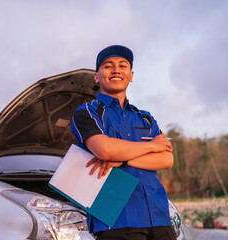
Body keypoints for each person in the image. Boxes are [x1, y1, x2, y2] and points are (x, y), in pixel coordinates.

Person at [71, 45, 176, 240]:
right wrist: (152, 146)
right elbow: (106, 150)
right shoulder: (87, 112)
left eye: (123, 65)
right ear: (96, 76)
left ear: (131, 75)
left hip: (158, 216)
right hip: (115, 219)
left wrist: (124, 160)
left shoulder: (146, 118)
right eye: (108, 66)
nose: (116, 70)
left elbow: (166, 160)